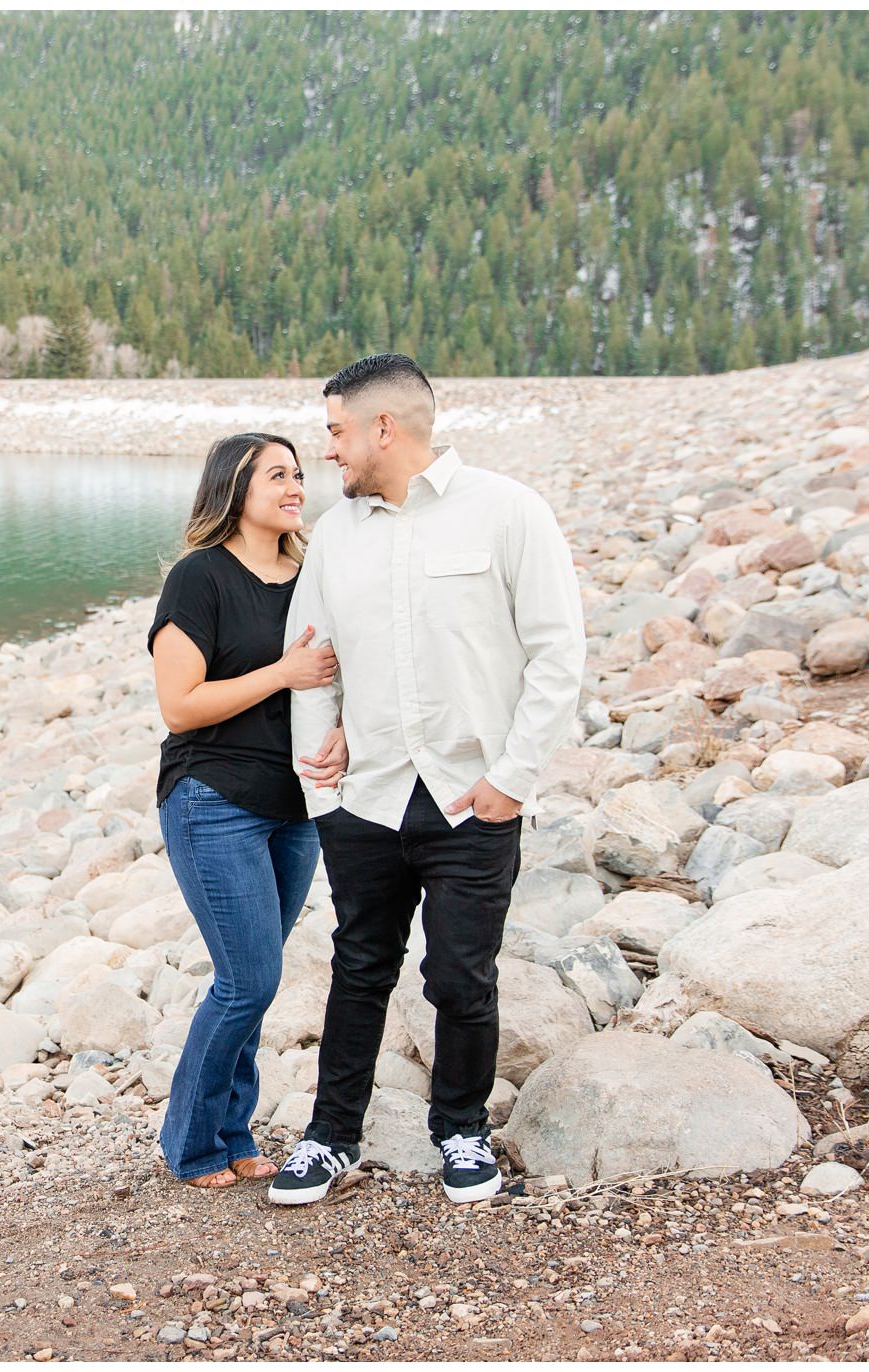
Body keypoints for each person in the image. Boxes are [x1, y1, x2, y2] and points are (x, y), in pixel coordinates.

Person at [267, 354, 585, 1206]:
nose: (327, 451)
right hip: (364, 799)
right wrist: (320, 790)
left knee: (461, 975)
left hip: (470, 796)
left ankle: (462, 1131)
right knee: (359, 967)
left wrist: (511, 780)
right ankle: (331, 1139)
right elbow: (312, 663)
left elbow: (558, 654)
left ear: (384, 428)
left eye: (335, 431)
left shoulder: (508, 513)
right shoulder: (337, 535)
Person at [147, 432, 336, 1189]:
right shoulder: (201, 579)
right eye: (276, 475)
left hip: (296, 804)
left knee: (255, 975)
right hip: (213, 799)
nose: (295, 486)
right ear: (234, 487)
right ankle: (191, 1142)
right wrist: (282, 671)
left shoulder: (311, 574)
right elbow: (180, 706)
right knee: (247, 980)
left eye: (299, 473)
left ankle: (234, 1129)